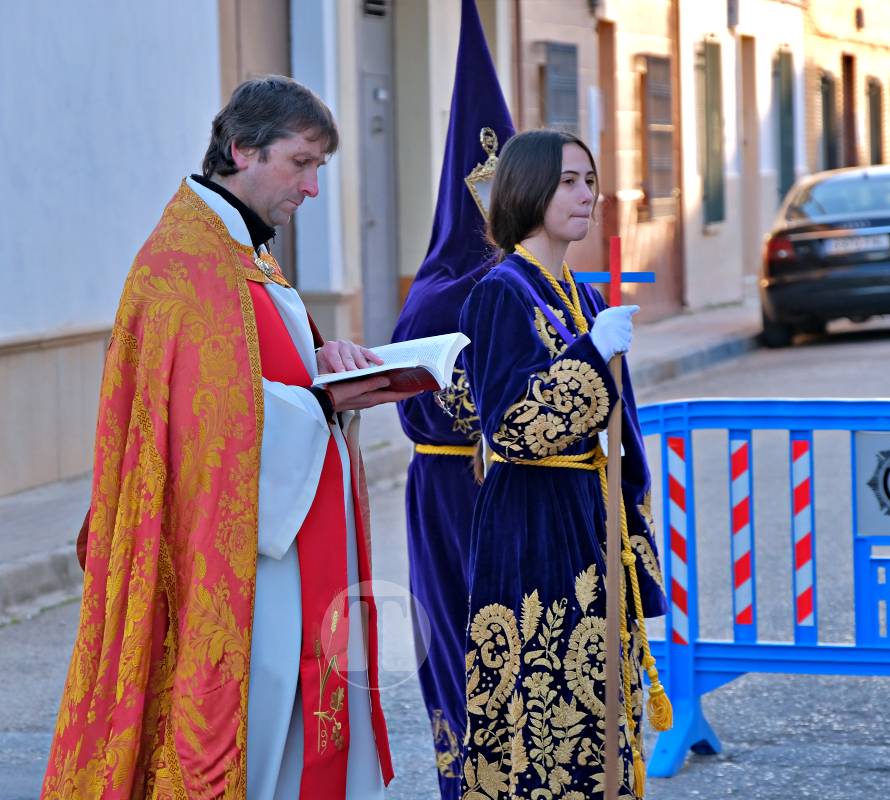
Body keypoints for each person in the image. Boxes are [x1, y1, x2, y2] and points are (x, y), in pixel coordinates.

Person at [43, 75, 416, 799]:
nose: (311, 188)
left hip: (291, 542)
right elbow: (205, 428)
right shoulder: (184, 265)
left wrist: (324, 362)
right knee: (259, 720)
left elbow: (261, 375)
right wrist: (321, 402)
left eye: (319, 168)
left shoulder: (242, 249)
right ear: (243, 150)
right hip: (244, 562)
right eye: (301, 163)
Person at [456, 130, 668, 799]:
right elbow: (512, 426)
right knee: (546, 713)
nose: (585, 195)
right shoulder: (502, 292)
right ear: (529, 188)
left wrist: (636, 546)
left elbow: (623, 433)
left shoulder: (584, 294)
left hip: (588, 520)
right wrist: (588, 355)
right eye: (569, 181)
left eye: (590, 180)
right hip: (533, 525)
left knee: (604, 708)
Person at [388, 1, 513, 796]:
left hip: (524, 493)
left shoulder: (541, 282)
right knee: (464, 652)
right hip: (450, 493)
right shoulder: (437, 295)